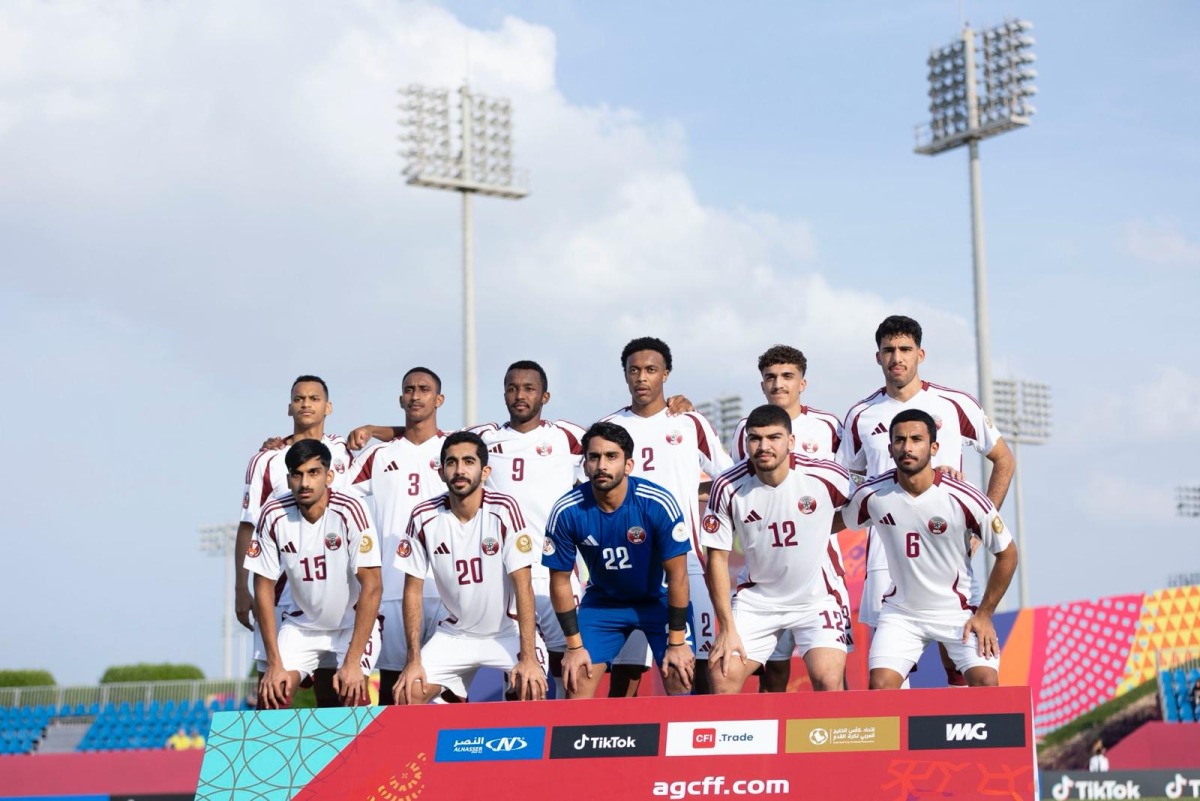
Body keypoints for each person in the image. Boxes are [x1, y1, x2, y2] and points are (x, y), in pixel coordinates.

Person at [838, 316, 1015, 685]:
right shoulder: (860, 415)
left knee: (958, 664)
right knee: (890, 672)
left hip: (946, 546)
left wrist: (980, 528)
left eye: (905, 349)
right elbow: (847, 481)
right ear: (878, 357)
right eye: (889, 350)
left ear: (920, 354)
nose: (897, 358)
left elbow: (1004, 460)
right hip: (886, 555)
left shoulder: (954, 403)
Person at [849, 410, 1017, 690]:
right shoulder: (872, 495)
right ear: (890, 449)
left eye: (916, 439)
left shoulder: (964, 497)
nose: (907, 447)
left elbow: (1008, 554)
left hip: (958, 610)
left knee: (986, 684)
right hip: (902, 613)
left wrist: (985, 613)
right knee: (880, 687)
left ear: (934, 447)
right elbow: (835, 520)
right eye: (900, 440)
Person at [601, 337, 732, 695]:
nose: (642, 377)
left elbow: (729, 478)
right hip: (628, 565)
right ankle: (621, 734)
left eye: (651, 370)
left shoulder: (690, 422)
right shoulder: (610, 427)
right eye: (634, 370)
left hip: (687, 561)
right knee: (626, 673)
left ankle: (699, 732)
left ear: (666, 374)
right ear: (625, 375)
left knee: (698, 665)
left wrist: (692, 490)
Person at [703, 405, 853, 694]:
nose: (764, 447)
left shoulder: (826, 475)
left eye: (774, 437)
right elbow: (717, 559)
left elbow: (870, 499)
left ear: (791, 441)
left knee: (828, 680)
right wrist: (727, 628)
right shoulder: (727, 486)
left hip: (816, 599)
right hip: (758, 602)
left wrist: (821, 524)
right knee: (722, 677)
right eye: (755, 439)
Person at [542, 421, 696, 699]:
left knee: (679, 673)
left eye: (611, 456)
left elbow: (678, 577)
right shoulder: (567, 510)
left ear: (628, 465)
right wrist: (574, 647)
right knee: (577, 679)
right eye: (594, 457)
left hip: (658, 600)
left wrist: (676, 643)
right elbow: (560, 581)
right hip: (604, 604)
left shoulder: (656, 502)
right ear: (585, 465)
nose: (601, 465)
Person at [392, 431, 547, 704]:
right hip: (456, 634)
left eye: (468, 462)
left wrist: (529, 657)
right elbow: (412, 590)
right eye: (451, 462)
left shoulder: (504, 509)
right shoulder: (423, 516)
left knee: (531, 688)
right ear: (441, 472)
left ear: (485, 471)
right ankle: (449, 722)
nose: (459, 470)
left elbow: (523, 585)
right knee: (408, 694)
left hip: (507, 632)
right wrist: (413, 659)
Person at [730, 345, 851, 692]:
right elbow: (741, 488)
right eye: (770, 377)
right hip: (766, 569)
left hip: (819, 569)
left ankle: (839, 727)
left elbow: (851, 488)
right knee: (773, 670)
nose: (778, 384)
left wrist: (816, 528)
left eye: (787, 376)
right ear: (762, 384)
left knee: (831, 672)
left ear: (803, 383)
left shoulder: (828, 425)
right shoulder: (745, 428)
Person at [467, 361, 586, 699]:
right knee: (522, 678)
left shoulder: (566, 436)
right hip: (505, 576)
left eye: (529, 389)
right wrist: (381, 430)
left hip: (556, 573)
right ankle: (523, 733)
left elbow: (618, 445)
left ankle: (568, 730)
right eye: (512, 388)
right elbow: (426, 438)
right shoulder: (484, 438)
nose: (520, 395)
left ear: (545, 396)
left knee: (571, 670)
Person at [234, 375, 354, 705]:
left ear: (328, 407)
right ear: (289, 407)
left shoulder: (342, 451)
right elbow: (248, 525)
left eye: (314, 398)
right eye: (299, 398)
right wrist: (241, 588)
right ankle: (265, 741)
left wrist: (375, 429)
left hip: (333, 594)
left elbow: (412, 437)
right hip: (281, 592)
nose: (306, 404)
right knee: (272, 689)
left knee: (333, 693)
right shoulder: (266, 459)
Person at [246, 439, 383, 709]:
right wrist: (274, 663)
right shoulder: (273, 513)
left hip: (350, 626)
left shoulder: (351, 510)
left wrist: (353, 661)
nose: (305, 483)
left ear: (328, 476)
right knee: (272, 695)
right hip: (302, 626)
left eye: (313, 473)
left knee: (353, 695)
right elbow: (262, 587)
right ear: (288, 480)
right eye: (297, 475)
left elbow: (372, 586)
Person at [344, 367, 449, 705]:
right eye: (409, 389)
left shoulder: (454, 448)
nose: (415, 395)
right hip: (392, 587)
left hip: (446, 589)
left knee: (446, 689)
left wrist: (375, 428)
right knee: (393, 688)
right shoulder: (377, 456)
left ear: (439, 399)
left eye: (424, 389)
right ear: (400, 398)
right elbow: (340, 501)